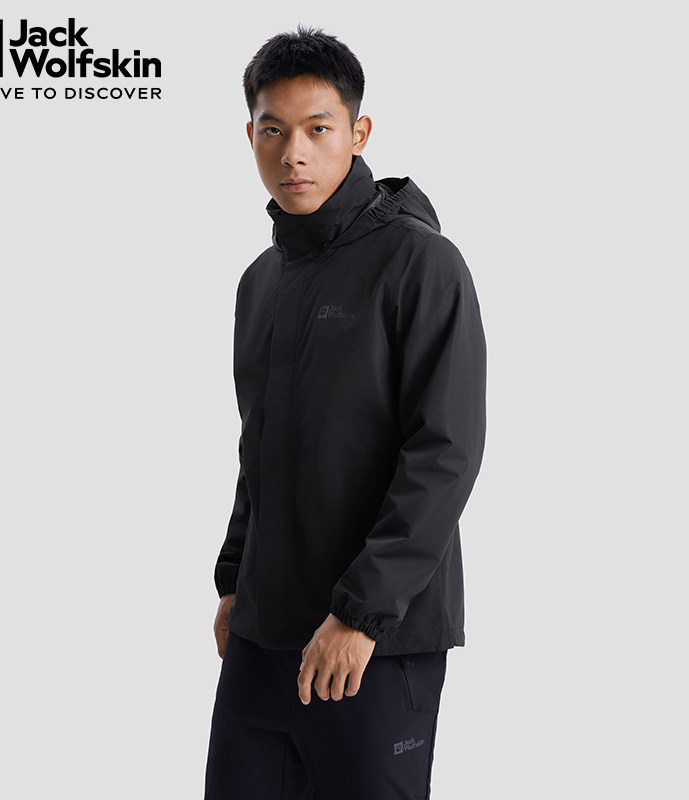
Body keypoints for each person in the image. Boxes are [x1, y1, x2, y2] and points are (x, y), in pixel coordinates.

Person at [204, 24, 487, 800]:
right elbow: (260, 446)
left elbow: (445, 452)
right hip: (263, 634)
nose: (293, 153)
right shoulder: (261, 282)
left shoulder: (421, 264)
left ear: (358, 134)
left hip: (375, 642)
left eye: (318, 129)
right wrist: (234, 579)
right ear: (251, 137)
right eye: (273, 131)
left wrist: (361, 616)